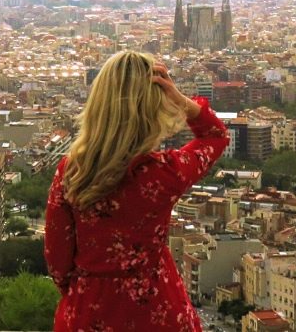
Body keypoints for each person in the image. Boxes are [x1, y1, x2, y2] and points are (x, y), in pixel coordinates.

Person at [44, 50, 230, 331]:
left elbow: (57, 262)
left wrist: (87, 289)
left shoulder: (71, 172)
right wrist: (180, 100)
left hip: (88, 311)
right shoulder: (165, 173)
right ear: (152, 109)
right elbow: (216, 135)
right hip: (157, 310)